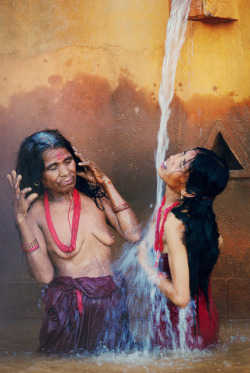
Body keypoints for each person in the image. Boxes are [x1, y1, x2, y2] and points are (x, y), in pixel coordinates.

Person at [7, 129, 141, 354]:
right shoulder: (36, 214)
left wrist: (106, 182)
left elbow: (134, 234)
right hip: (69, 314)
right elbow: (44, 276)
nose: (65, 172)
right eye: (53, 167)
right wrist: (21, 221)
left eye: (68, 161)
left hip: (111, 307)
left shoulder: (96, 200)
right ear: (39, 176)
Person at [138, 147, 229, 350]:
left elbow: (181, 298)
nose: (172, 158)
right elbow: (218, 243)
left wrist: (146, 266)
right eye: (182, 154)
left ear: (189, 191)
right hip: (201, 322)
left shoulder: (175, 224)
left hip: (182, 329)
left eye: (181, 164)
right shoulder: (195, 219)